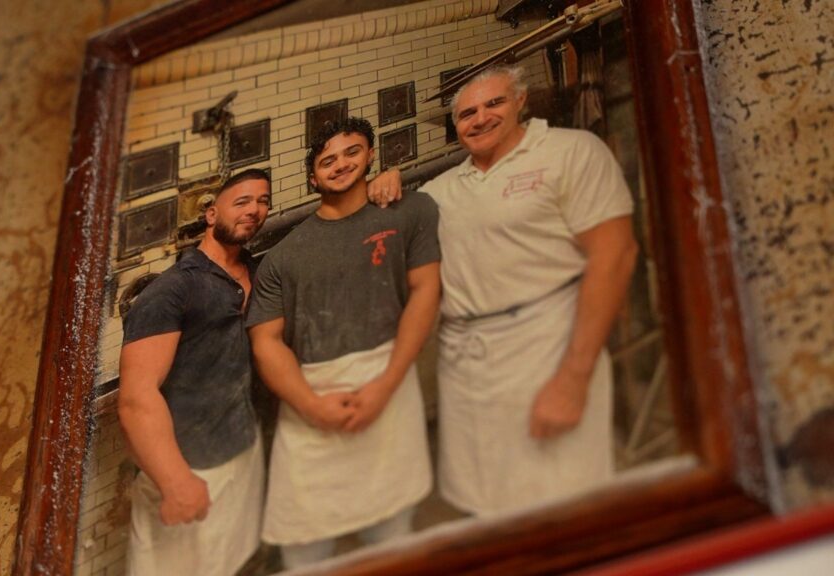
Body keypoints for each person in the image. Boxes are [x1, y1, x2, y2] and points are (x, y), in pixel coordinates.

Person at [383, 66, 639, 517]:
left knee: (562, 504)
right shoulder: (440, 191)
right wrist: (382, 183)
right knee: (485, 508)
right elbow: (388, 232)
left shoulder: (571, 151)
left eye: (493, 103)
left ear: (521, 101)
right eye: (466, 113)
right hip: (465, 368)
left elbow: (614, 256)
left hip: (546, 352)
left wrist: (572, 380)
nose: (479, 118)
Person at [246, 117, 442, 568]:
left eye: (351, 152)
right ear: (312, 177)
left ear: (371, 155)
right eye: (327, 160)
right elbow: (266, 343)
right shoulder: (283, 256)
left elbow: (425, 293)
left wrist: (386, 384)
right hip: (310, 398)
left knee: (393, 538)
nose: (340, 165)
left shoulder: (410, 213)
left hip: (389, 387)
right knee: (304, 549)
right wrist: (313, 406)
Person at [117, 169, 271, 576]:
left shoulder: (255, 272)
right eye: (242, 201)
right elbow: (136, 397)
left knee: (232, 564)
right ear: (210, 214)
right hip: (188, 467)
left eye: (262, 201)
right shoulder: (172, 291)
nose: (255, 210)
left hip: (240, 450)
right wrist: (174, 481)